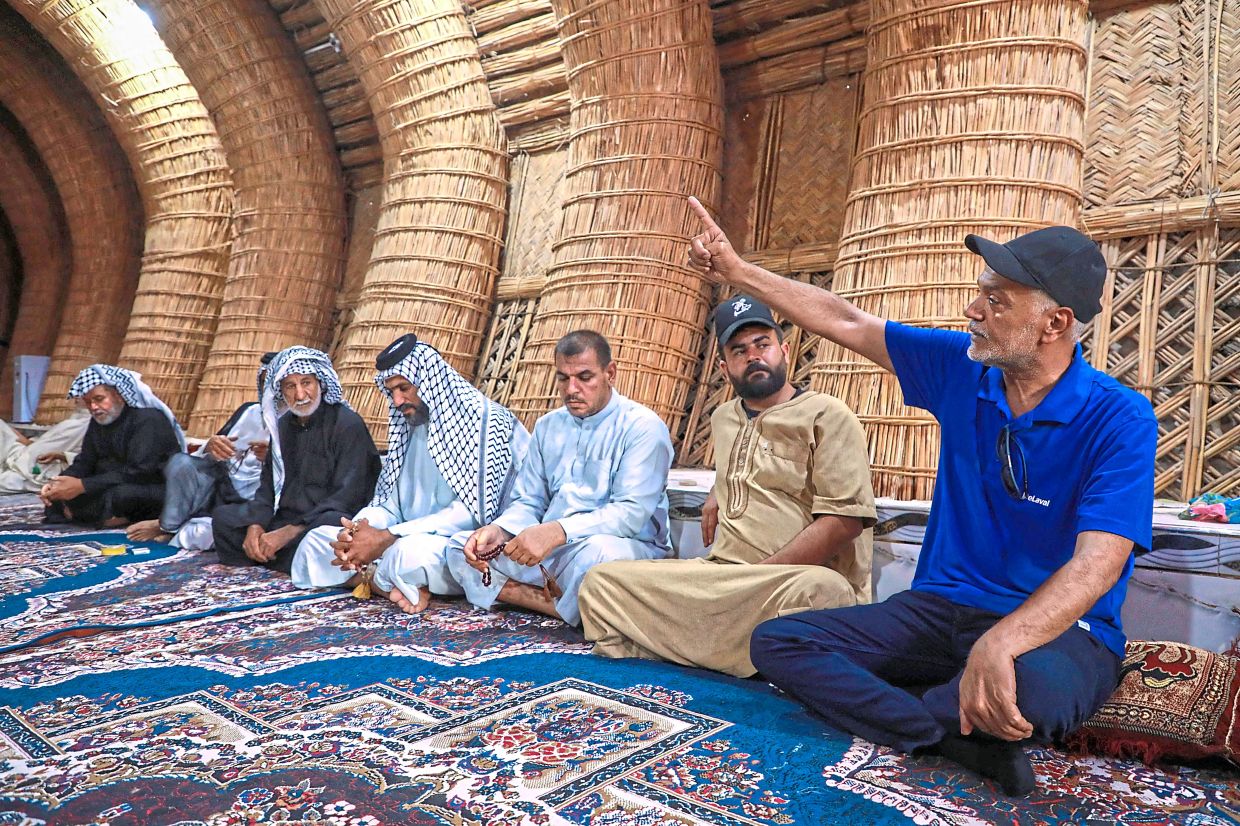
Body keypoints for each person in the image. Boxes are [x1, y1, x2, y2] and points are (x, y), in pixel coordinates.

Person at [687, 197, 1157, 797]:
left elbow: (1099, 563)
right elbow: (846, 320)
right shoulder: (961, 370)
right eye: (980, 292)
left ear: (1055, 323)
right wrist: (738, 270)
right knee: (780, 641)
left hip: (1061, 628)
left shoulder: (1119, 416)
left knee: (1029, 697)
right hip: (938, 612)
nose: (973, 310)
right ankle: (945, 731)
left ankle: (929, 708)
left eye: (996, 300)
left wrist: (1004, 640)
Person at [578, 295, 876, 677]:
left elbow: (843, 523)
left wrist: (757, 576)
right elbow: (751, 464)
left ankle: (675, 647)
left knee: (823, 592)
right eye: (739, 350)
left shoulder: (828, 415)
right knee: (602, 582)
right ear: (724, 367)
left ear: (784, 350)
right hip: (719, 575)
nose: (753, 356)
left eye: (762, 345)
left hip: (784, 581)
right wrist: (720, 488)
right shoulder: (724, 418)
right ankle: (745, 656)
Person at [441, 330, 673, 625]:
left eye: (584, 377)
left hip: (619, 546)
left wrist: (556, 531)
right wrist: (500, 531)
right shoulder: (548, 426)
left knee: (600, 557)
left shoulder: (643, 427)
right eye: (563, 378)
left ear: (609, 373)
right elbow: (530, 500)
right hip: (555, 551)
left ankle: (525, 597)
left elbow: (630, 514)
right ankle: (559, 606)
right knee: (461, 546)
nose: (571, 389)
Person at [290, 333, 530, 613]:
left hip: (460, 545)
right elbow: (391, 504)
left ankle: (380, 579)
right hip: (401, 537)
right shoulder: (410, 428)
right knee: (316, 542)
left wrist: (387, 538)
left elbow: (472, 513)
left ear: (429, 383)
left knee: (406, 556)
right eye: (391, 391)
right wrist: (358, 532)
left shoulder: (486, 424)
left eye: (403, 388)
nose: (396, 400)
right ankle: (388, 586)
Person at [211, 346, 380, 573]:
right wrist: (256, 526)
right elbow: (267, 487)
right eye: (290, 386)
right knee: (225, 518)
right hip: (284, 519)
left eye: (306, 383)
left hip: (319, 520)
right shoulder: (282, 427)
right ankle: (284, 559)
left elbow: (348, 496)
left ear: (320, 382)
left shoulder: (347, 424)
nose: (300, 395)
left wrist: (289, 532)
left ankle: (280, 558)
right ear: (280, 391)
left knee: (331, 526)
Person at [126, 352, 276, 548]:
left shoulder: (299, 421)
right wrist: (211, 446)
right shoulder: (248, 410)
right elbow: (212, 453)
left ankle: (174, 527)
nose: (269, 390)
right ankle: (169, 526)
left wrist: (273, 459)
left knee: (202, 534)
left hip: (263, 499)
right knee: (181, 463)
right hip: (223, 489)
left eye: (276, 383)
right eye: (265, 383)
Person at [40, 364, 185, 527]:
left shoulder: (148, 419)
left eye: (99, 399)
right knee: (59, 498)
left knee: (121, 495)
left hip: (151, 486)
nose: (94, 407)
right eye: (88, 402)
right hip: (109, 483)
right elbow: (85, 462)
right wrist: (58, 483)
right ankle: (104, 516)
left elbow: (140, 472)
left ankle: (101, 515)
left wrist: (83, 486)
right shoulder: (97, 422)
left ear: (119, 395)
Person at [0, 408, 90, 494]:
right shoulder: (76, 421)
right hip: (24, 454)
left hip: (39, 471)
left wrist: (62, 456)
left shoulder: (91, 427)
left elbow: (92, 461)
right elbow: (38, 443)